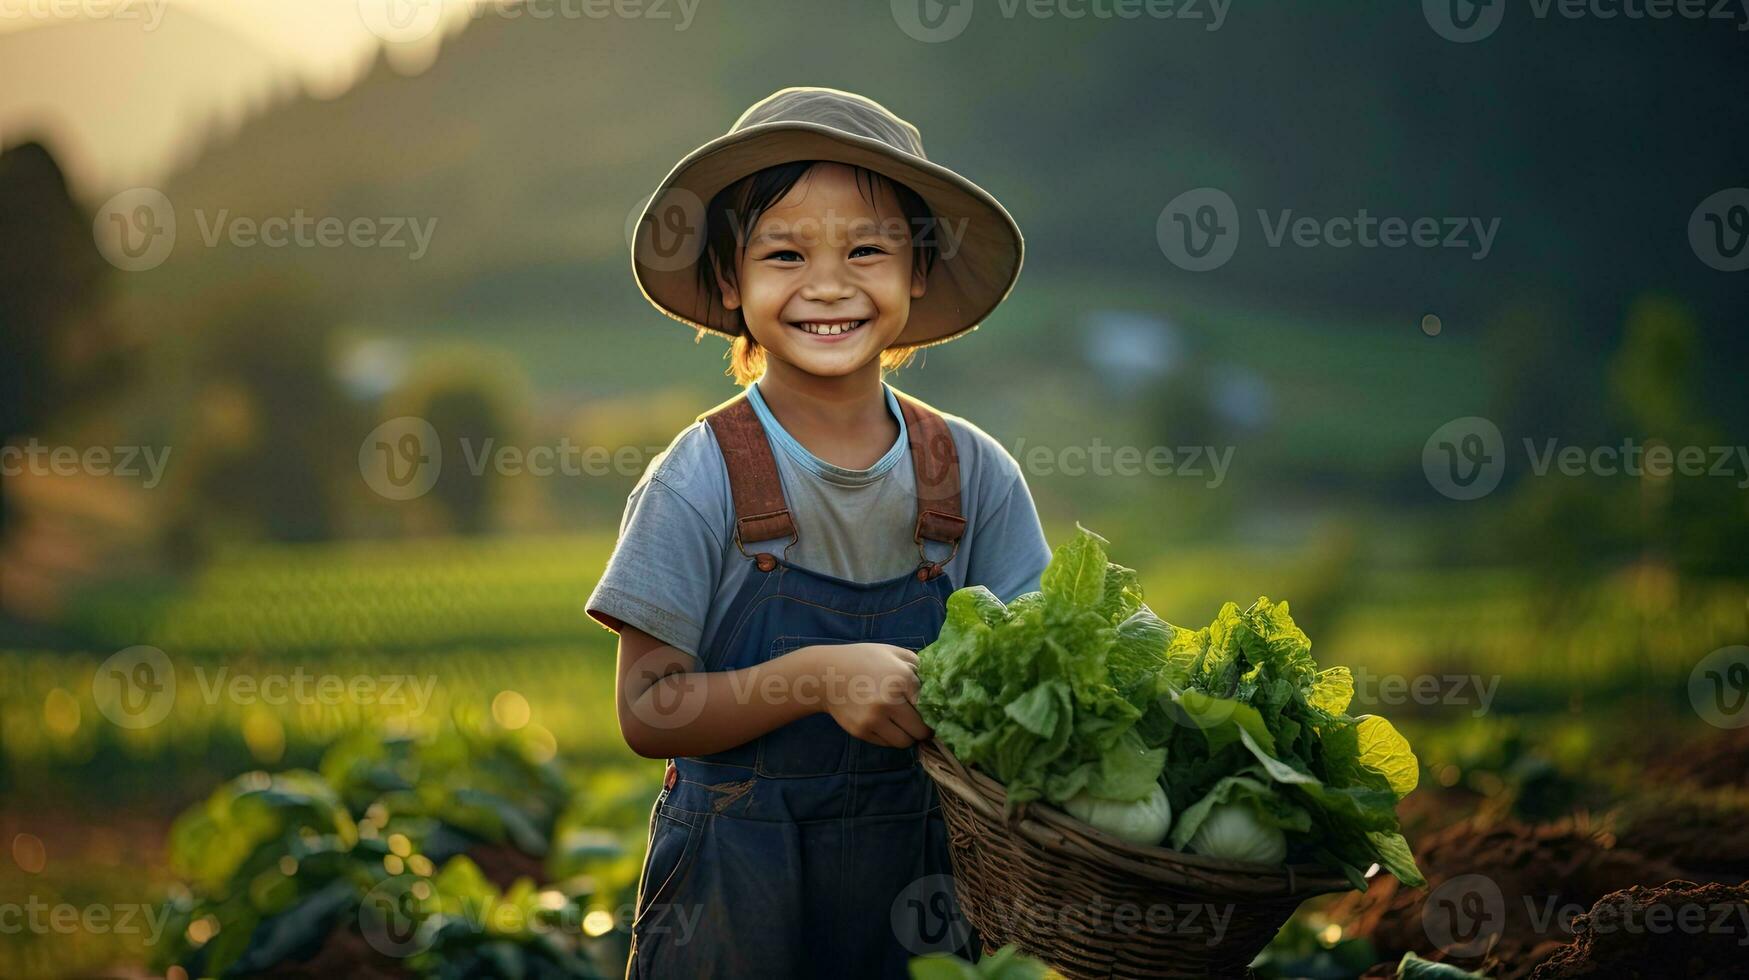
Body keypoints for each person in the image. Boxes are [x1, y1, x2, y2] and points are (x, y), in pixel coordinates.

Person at [586, 87, 1050, 979]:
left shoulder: (973, 474)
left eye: (866, 250)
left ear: (917, 270)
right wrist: (818, 676)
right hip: (734, 900)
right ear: (729, 280)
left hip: (924, 897)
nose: (828, 285)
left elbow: (1038, 681)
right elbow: (648, 710)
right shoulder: (700, 477)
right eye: (785, 253)